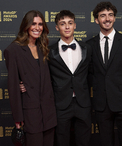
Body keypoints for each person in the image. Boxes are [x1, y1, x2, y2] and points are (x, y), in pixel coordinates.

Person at [20, 10, 92, 146]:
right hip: (60, 105)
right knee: (61, 141)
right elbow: (39, 73)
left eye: (70, 23)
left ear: (75, 25)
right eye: (62, 24)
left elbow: (95, 74)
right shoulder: (48, 51)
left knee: (84, 141)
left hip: (83, 104)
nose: (67, 27)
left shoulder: (87, 48)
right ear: (57, 27)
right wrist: (23, 83)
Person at [86, 2, 122, 146]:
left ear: (115, 18)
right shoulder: (89, 45)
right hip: (101, 103)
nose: (107, 19)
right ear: (96, 20)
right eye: (103, 15)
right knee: (105, 142)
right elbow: (89, 73)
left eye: (110, 15)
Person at [4, 10, 57, 146]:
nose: (37, 28)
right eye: (33, 24)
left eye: (40, 24)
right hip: (30, 113)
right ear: (26, 26)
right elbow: (13, 87)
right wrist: (18, 120)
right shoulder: (13, 50)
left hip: (48, 112)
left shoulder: (43, 47)